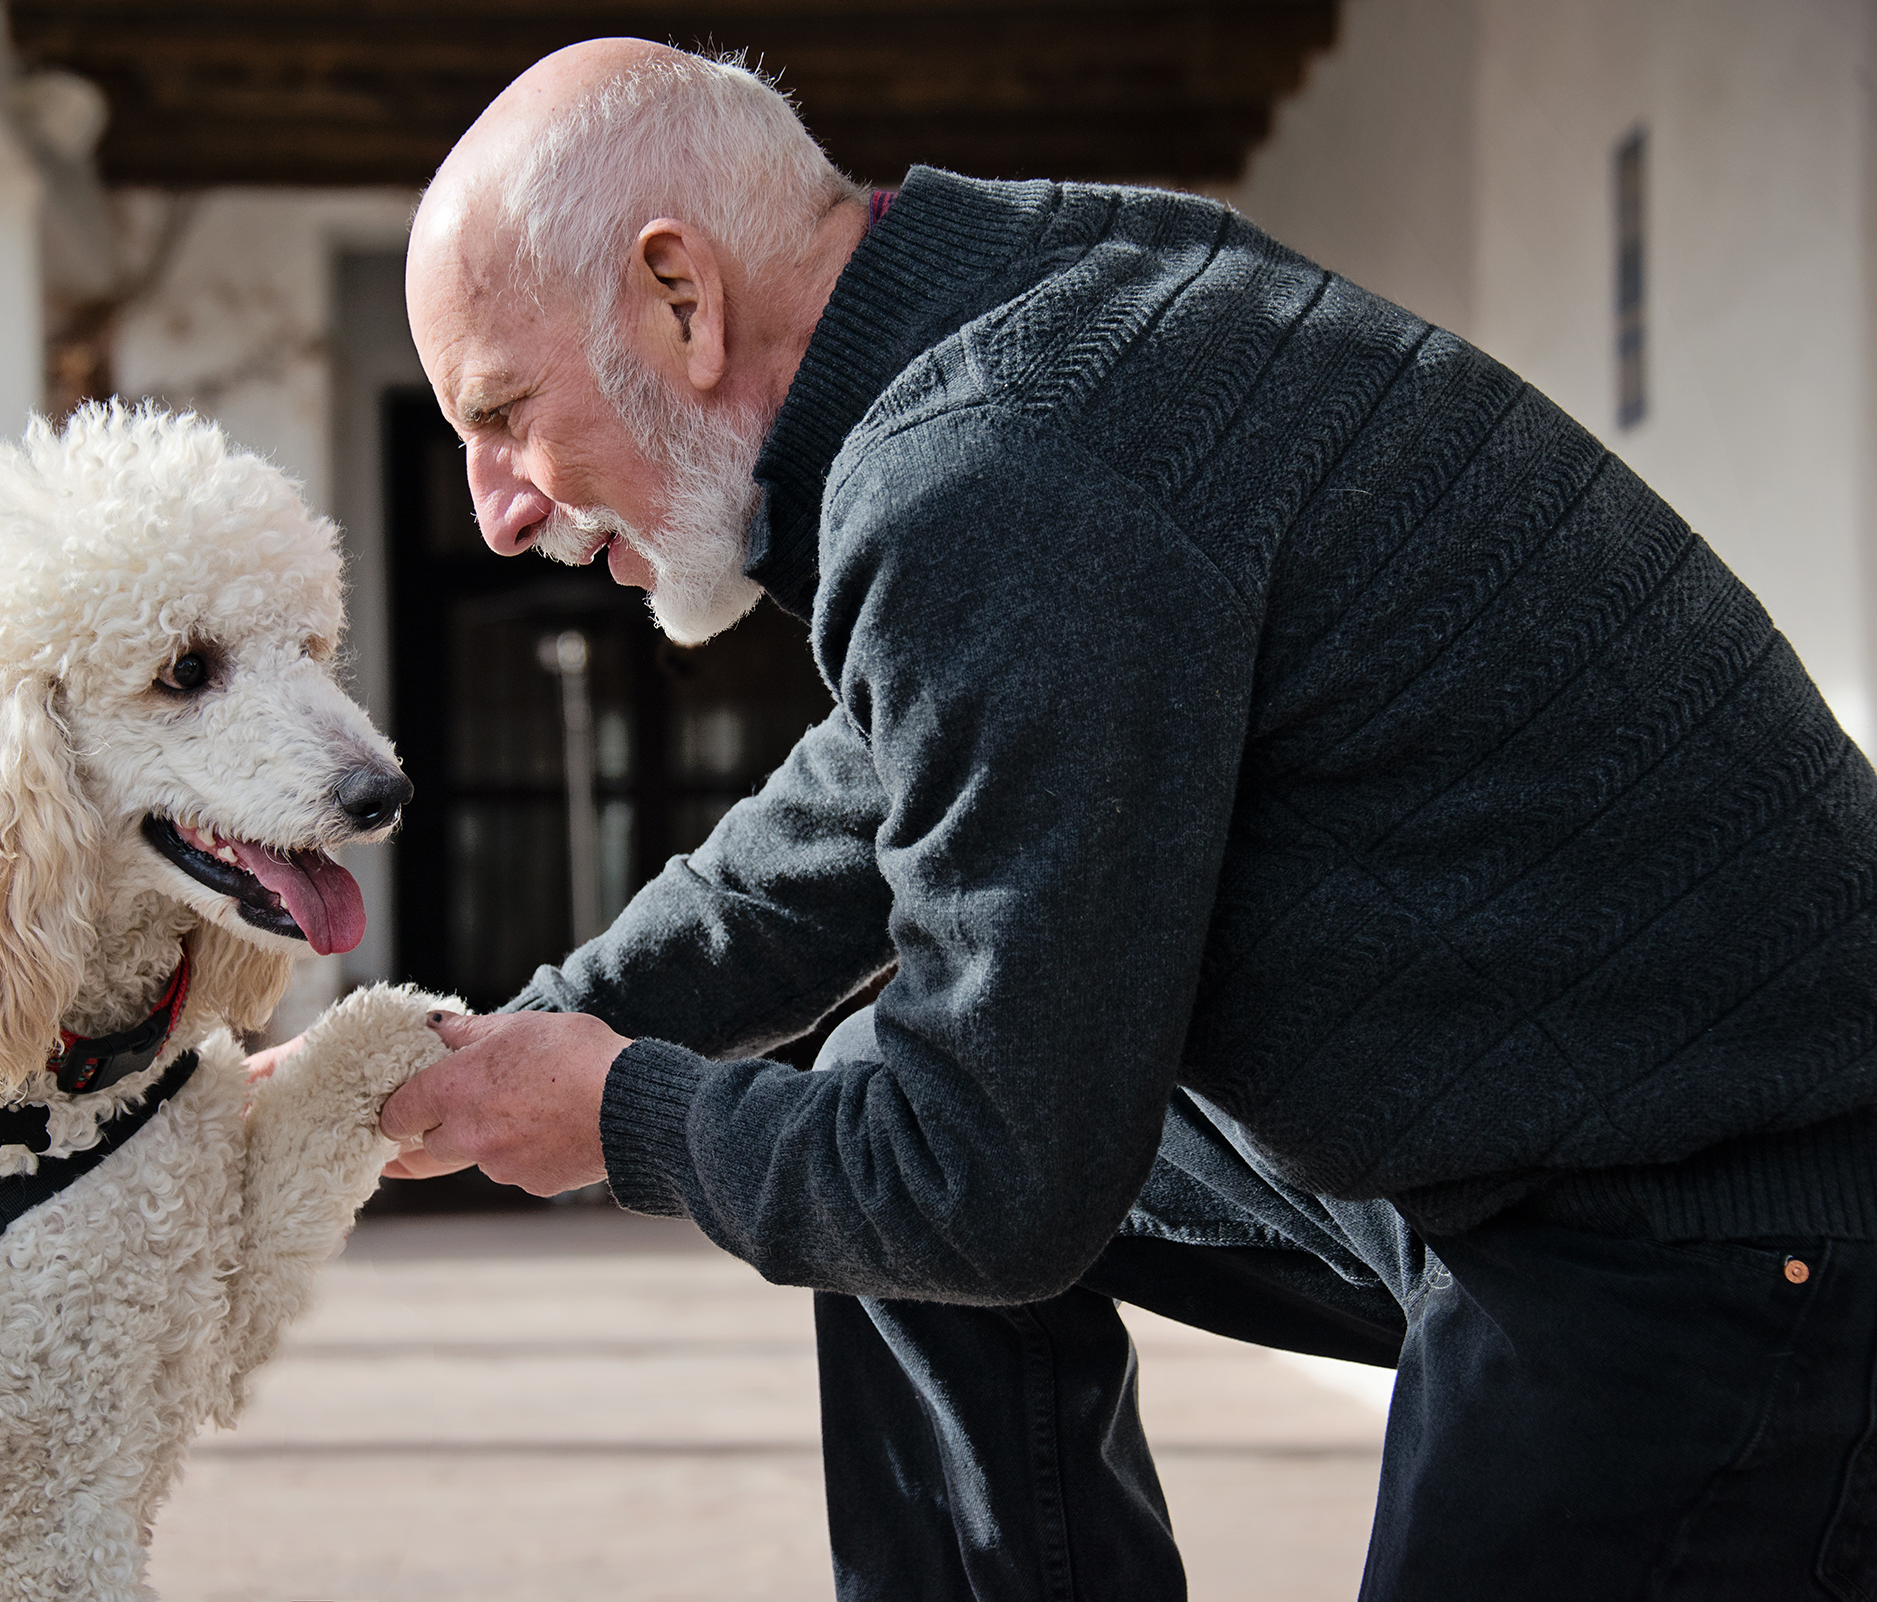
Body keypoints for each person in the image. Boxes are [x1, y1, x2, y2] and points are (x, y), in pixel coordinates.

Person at [376, 36, 1877, 1600]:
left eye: (503, 413)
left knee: (929, 1170)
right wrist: (502, 1046)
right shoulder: (1030, 301)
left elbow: (986, 1183)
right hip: (1537, 1128)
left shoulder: (990, 463)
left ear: (679, 298)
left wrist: (620, 1113)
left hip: (1722, 1223)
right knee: (882, 1134)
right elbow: (852, 810)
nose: (497, 507)